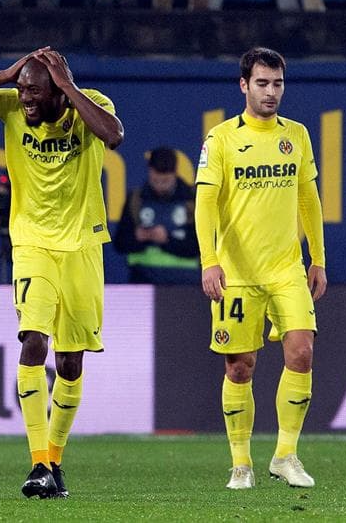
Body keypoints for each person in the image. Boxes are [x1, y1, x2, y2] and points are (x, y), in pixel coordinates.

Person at [0, 47, 123, 499]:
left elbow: (113, 136)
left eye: (35, 92)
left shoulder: (91, 104)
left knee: (70, 362)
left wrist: (69, 88)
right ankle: (38, 463)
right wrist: (6, 74)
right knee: (33, 339)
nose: (26, 100)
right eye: (22, 91)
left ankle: (54, 461)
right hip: (33, 244)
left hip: (83, 246)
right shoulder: (12, 103)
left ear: (58, 90)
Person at [194, 46, 327, 489]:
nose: (272, 93)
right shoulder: (221, 139)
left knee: (302, 352)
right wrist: (209, 261)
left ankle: (286, 455)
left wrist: (318, 259)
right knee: (240, 367)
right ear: (244, 85)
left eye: (278, 84)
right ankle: (241, 462)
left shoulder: (298, 136)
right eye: (263, 83)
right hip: (237, 274)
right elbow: (205, 204)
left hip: (287, 268)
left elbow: (308, 199)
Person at [114, 146, 200, 284]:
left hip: (184, 281)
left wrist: (167, 240)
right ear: (149, 172)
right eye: (155, 180)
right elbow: (120, 243)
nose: (160, 186)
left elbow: (200, 245)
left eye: (165, 181)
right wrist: (138, 237)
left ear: (175, 173)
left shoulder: (191, 200)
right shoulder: (136, 199)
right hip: (142, 278)